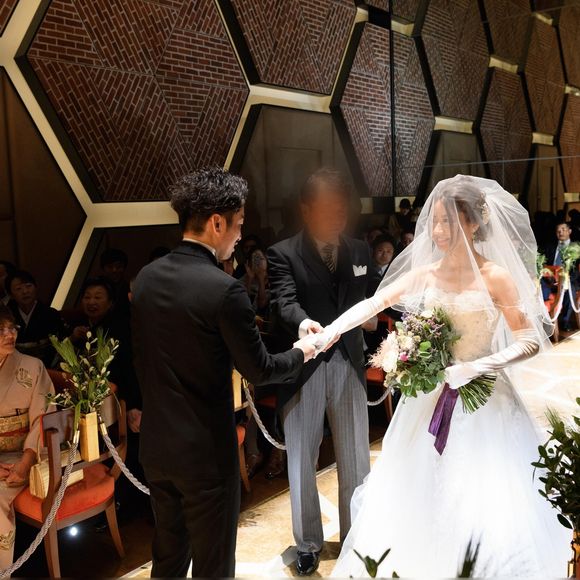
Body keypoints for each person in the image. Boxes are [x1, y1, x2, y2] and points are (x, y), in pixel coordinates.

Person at [302, 175, 568, 576]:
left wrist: (477, 366)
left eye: (449, 221)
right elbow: (375, 303)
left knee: (484, 499)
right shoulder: (426, 273)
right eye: (436, 221)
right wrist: (330, 332)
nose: (439, 231)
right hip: (430, 401)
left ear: (474, 222)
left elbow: (529, 340)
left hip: (486, 401)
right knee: (419, 491)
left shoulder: (495, 276)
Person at [131, 168, 316, 578]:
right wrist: (302, 352)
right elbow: (261, 370)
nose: (239, 235)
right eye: (239, 224)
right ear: (217, 222)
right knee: (213, 567)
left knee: (168, 560)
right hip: (205, 455)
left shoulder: (145, 278)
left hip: (157, 448)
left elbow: (140, 360)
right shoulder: (224, 289)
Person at [268, 167, 374, 576]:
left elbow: (372, 297)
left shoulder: (359, 250)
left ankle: (355, 536)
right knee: (301, 459)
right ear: (306, 209)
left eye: (342, 209)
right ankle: (308, 543)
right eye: (329, 209)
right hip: (305, 366)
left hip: (349, 363)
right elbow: (283, 302)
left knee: (356, 456)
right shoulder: (283, 254)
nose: (337, 217)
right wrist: (303, 324)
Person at [0, 305, 54, 569]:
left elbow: (43, 419)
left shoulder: (33, 367)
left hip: (25, 455)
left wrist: (25, 461)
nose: (10, 335)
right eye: (1, 330)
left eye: (12, 328)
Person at [6, 270, 65, 367]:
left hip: (45, 366)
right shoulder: (6, 317)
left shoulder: (51, 314)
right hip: (13, 365)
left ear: (36, 287)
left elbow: (60, 344)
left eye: (28, 286)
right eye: (18, 289)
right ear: (10, 295)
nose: (25, 291)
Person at [543, 222, 578, 332]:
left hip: (569, 280)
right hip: (550, 280)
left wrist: (566, 279)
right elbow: (544, 264)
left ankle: (565, 321)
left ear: (569, 231)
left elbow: (577, 271)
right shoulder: (550, 247)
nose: (560, 232)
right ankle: (546, 318)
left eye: (563, 229)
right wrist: (549, 276)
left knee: (570, 289)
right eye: (558, 230)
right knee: (539, 285)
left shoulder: (576, 248)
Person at [100, 248, 130, 318]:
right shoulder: (96, 287)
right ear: (103, 268)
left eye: (119, 266)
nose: (114, 270)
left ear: (124, 268)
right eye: (110, 267)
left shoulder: (129, 289)